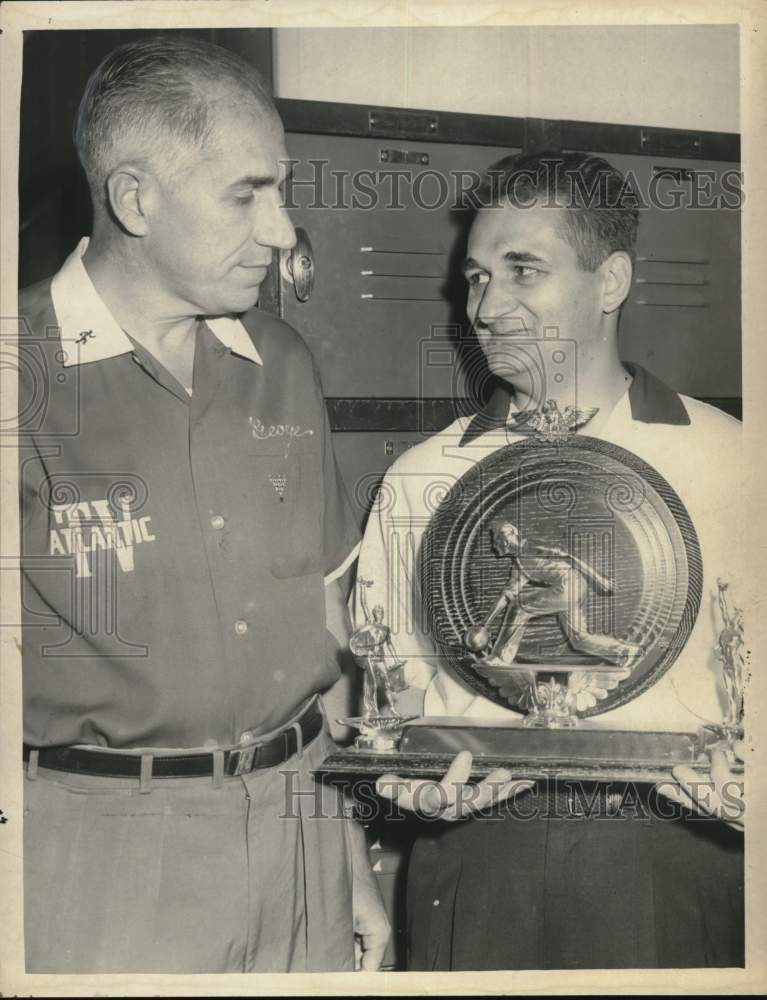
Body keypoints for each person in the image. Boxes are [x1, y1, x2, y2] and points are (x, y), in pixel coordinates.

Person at [17, 37, 389, 974]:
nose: (281, 229)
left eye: (283, 189)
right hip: (103, 852)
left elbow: (326, 627)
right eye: (246, 194)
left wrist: (347, 856)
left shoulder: (284, 365)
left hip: (301, 824)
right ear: (136, 199)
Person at [355, 151, 744, 969]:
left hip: (675, 855)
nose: (487, 307)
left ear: (610, 283)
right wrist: (407, 784)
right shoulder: (420, 479)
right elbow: (386, 706)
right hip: (476, 859)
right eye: (475, 276)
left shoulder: (733, 463)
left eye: (522, 271)